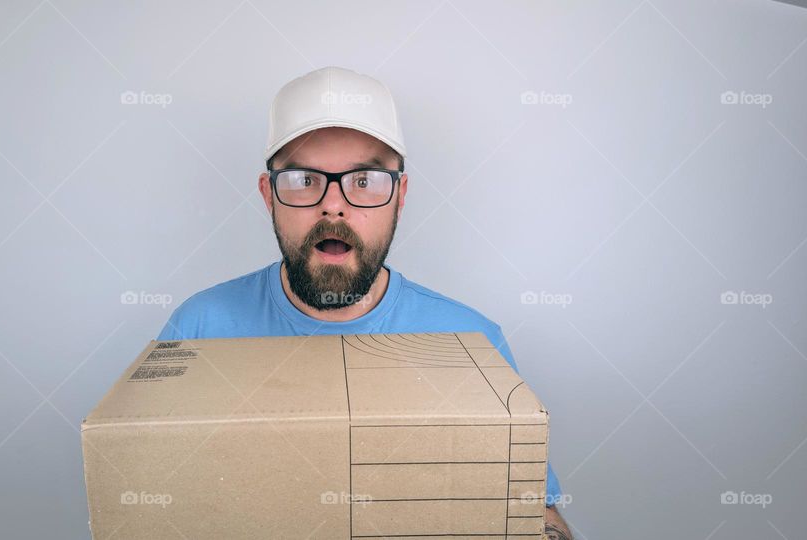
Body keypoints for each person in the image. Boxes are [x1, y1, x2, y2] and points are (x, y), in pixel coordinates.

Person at [159, 66, 572, 538]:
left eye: (365, 180)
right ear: (268, 196)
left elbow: (533, 513)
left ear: (400, 197)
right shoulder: (197, 331)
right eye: (303, 179)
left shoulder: (473, 345)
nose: (333, 205)